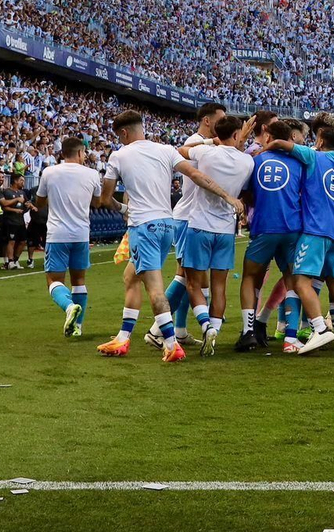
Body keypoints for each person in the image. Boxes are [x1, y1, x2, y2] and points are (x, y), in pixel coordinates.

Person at [97, 109, 243, 362]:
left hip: (144, 226)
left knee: (154, 288)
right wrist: (227, 196)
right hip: (168, 224)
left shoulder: (119, 156)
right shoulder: (165, 149)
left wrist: (123, 209)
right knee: (131, 276)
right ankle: (122, 338)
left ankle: (170, 342)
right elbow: (197, 175)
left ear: (123, 132)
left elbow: (104, 198)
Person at [273, 122, 334, 355]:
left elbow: (282, 143)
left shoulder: (313, 156)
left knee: (300, 280)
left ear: (320, 140)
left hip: (316, 231)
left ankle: (320, 329)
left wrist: (265, 148)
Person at [174, 115, 253, 356]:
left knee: (193, 283)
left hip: (199, 224)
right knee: (219, 287)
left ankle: (206, 325)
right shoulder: (247, 161)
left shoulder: (206, 153)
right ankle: (214, 333)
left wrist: (211, 142)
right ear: (238, 134)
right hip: (226, 229)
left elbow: (181, 150)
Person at [235, 118, 309, 352]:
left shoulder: (255, 161)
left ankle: (248, 332)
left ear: (268, 137)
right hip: (291, 229)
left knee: (250, 277)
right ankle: (290, 337)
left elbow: (246, 194)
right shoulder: (299, 163)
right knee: (292, 280)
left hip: (265, 227)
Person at [33, 136, 99, 339]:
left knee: (53, 280)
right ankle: (77, 326)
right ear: (80, 153)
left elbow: (40, 202)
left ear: (62, 153)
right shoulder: (92, 174)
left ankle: (69, 307)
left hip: (57, 234)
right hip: (81, 234)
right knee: (79, 280)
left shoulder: (49, 172)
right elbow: (96, 203)